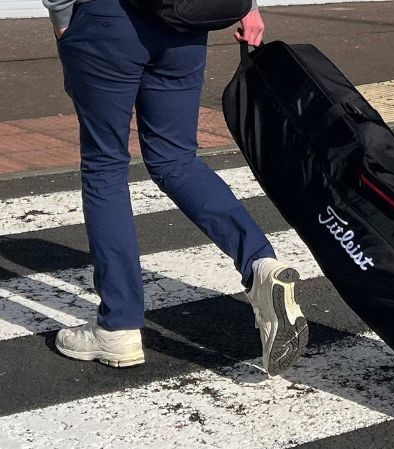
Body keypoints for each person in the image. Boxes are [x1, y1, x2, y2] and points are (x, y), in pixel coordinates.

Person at [42, 0, 308, 376]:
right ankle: (260, 264)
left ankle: (118, 325)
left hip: (107, 20)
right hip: (184, 20)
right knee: (176, 160)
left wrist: (62, 17)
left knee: (105, 167)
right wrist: (246, 6)